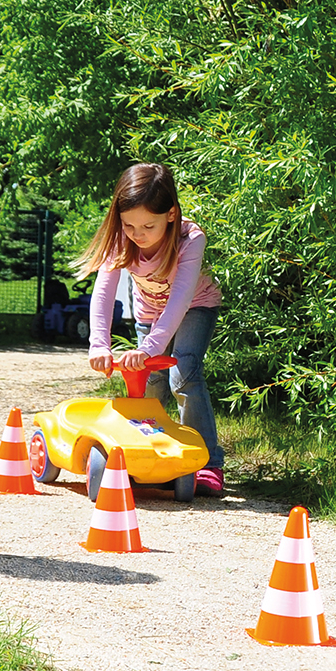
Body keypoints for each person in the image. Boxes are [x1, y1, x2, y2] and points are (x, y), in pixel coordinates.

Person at [77, 163, 228, 496]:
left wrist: (148, 349)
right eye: (129, 225)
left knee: (184, 370)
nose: (138, 234)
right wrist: (99, 344)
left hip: (195, 306)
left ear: (171, 214)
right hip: (149, 311)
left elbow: (180, 300)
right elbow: (103, 292)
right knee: (151, 379)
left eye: (148, 225)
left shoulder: (191, 239)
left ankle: (208, 463)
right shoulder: (121, 239)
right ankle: (148, 455)